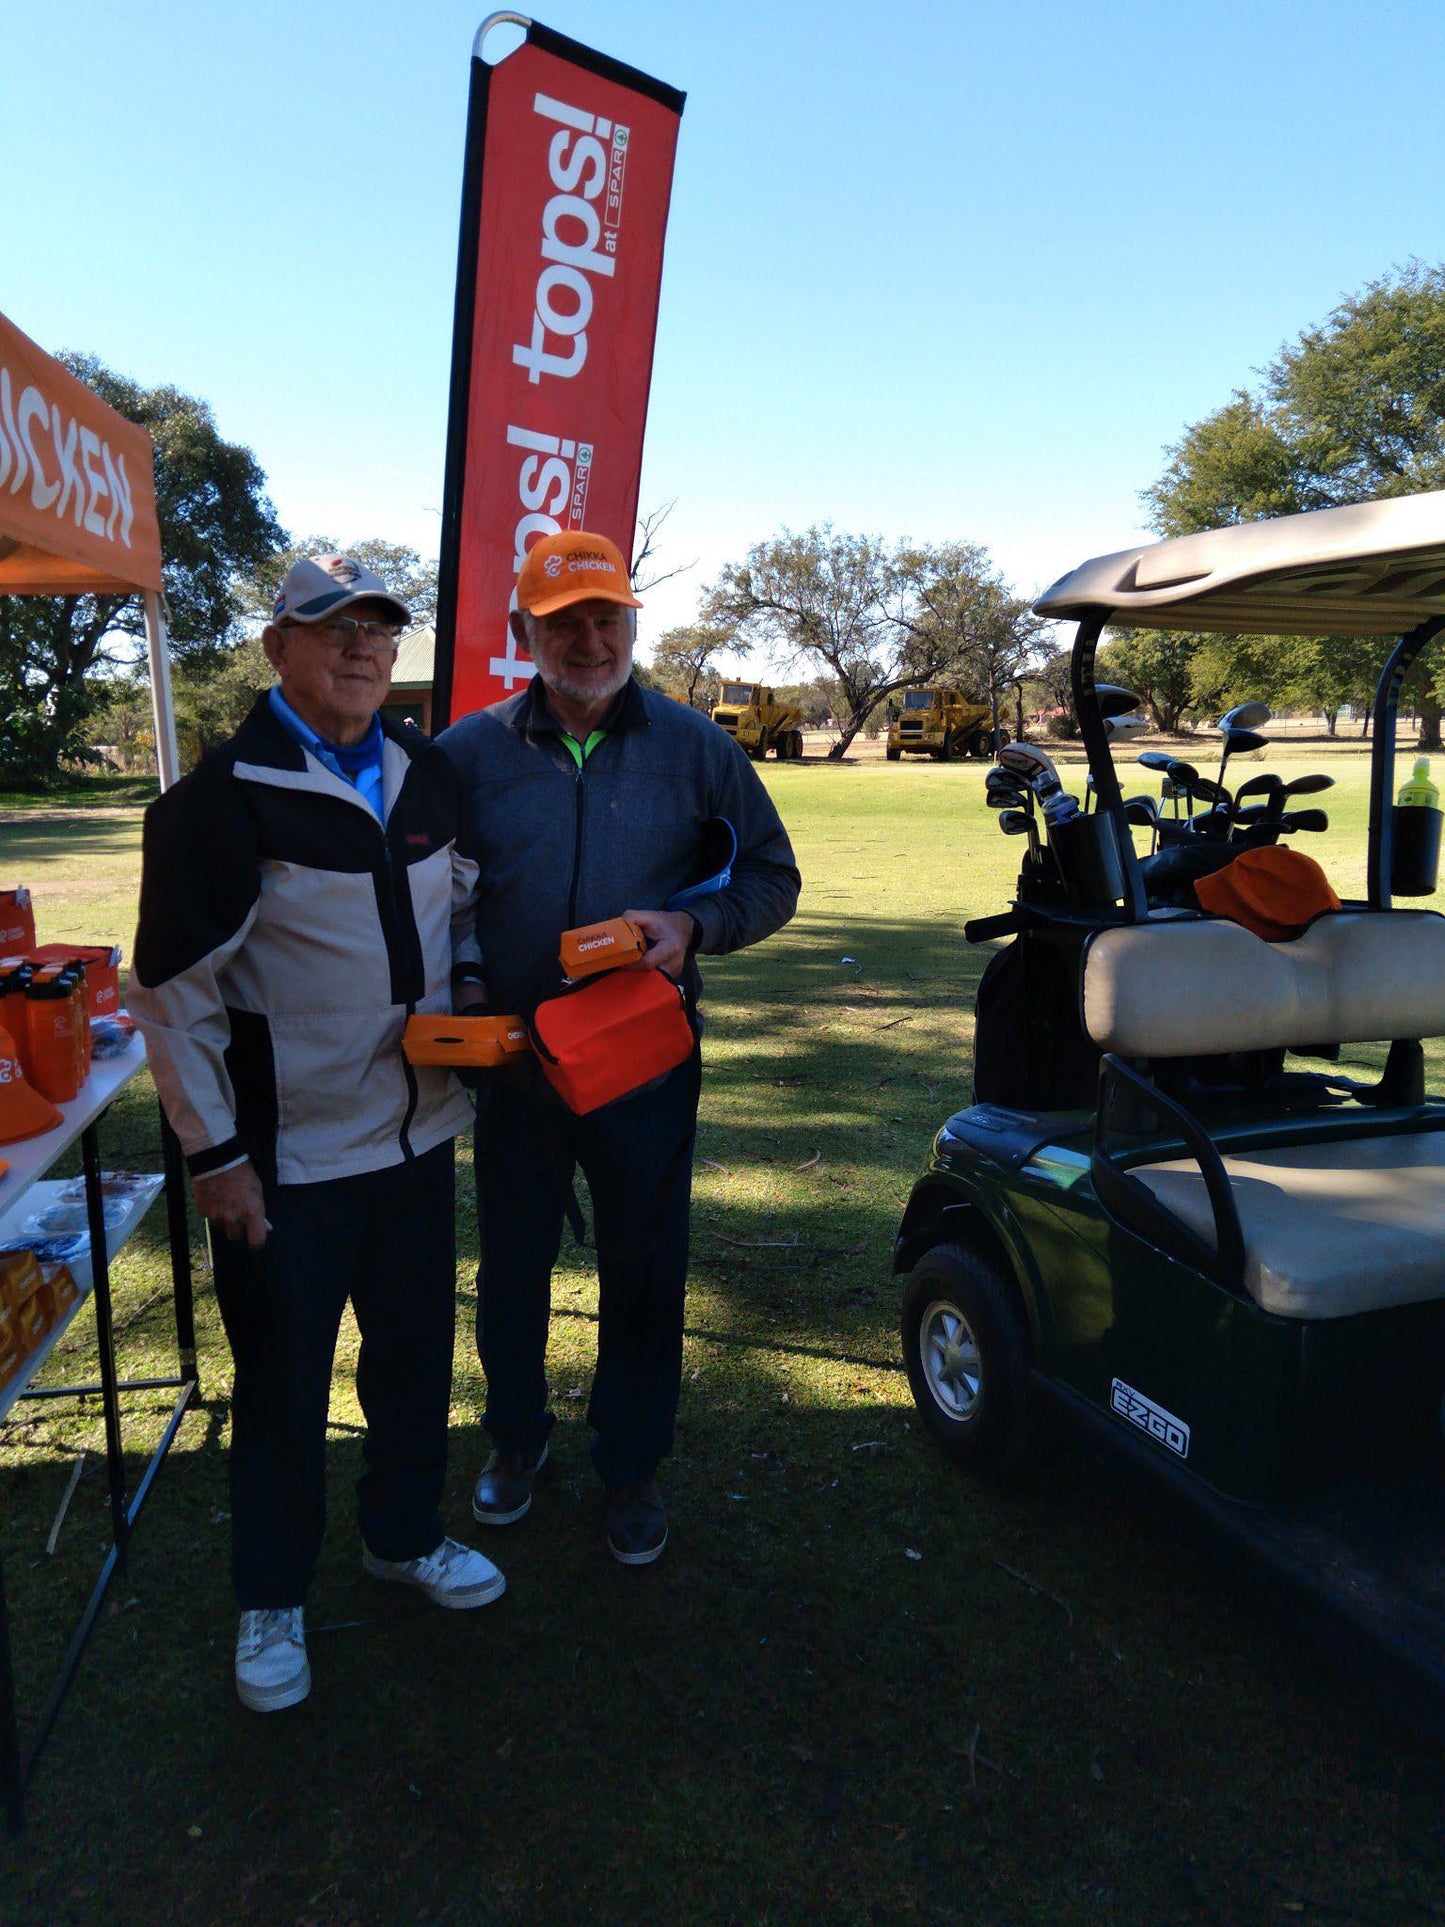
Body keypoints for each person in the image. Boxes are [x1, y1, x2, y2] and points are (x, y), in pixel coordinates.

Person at [130, 553, 505, 1715]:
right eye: (331, 627)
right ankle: (270, 1596)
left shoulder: (427, 774)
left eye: (378, 630)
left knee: (410, 1367)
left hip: (415, 1143)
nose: (359, 647)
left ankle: (400, 1535)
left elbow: (467, 905)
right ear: (275, 646)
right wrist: (215, 1155)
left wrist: (478, 1009)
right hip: (285, 1168)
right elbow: (172, 996)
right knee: (284, 1391)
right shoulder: (218, 801)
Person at [437, 529, 800, 1565]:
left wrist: (696, 928)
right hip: (516, 1061)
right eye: (563, 624)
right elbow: (439, 898)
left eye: (605, 618)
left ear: (631, 624)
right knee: (511, 1263)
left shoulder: (698, 747)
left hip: (643, 1058)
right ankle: (513, 1442)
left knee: (644, 1266)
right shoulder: (467, 753)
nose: (588, 641)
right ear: (523, 633)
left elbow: (770, 878)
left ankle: (630, 1464)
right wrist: (465, 989)